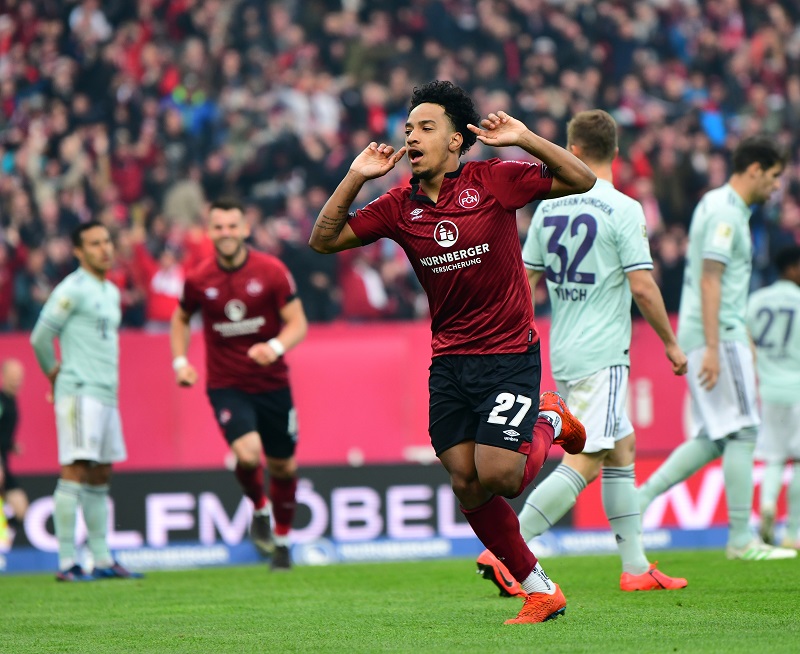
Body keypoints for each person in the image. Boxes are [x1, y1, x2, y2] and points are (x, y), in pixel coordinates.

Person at [308, 80, 596, 624]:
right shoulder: (398, 206)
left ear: (457, 140)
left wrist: (525, 138)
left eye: (426, 127)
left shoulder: (494, 180)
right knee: (465, 479)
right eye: (408, 129)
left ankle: (549, 419)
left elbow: (583, 178)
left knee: (502, 476)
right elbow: (323, 240)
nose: (411, 138)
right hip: (449, 362)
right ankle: (540, 589)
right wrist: (355, 176)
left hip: (508, 354)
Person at [476, 110, 689, 595]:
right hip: (604, 351)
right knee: (588, 459)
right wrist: (671, 344)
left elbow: (525, 281)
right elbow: (642, 286)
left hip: (565, 346)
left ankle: (635, 566)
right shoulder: (623, 207)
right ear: (615, 152)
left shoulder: (548, 210)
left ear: (572, 150)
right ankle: (507, 549)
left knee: (621, 447)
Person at [638, 136, 797, 561]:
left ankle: (638, 501)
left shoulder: (714, 203)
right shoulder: (728, 213)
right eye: (774, 176)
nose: (776, 186)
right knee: (743, 431)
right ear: (755, 170)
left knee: (715, 436)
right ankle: (742, 540)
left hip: (711, 331)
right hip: (717, 334)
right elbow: (711, 278)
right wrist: (714, 345)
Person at [170, 197, 308, 571]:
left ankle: (282, 542)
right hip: (227, 384)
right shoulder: (198, 278)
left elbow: (298, 322)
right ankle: (259, 508)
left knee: (283, 467)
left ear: (245, 229)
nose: (226, 233)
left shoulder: (272, 271)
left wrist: (274, 347)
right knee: (247, 455)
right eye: (219, 227)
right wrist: (180, 362)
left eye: (233, 226)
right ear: (209, 232)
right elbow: (180, 319)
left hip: (273, 383)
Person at [30, 221, 143, 581]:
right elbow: (40, 337)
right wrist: (54, 374)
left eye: (107, 241)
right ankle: (67, 562)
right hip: (79, 390)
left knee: (100, 472)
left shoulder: (110, 290)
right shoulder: (72, 289)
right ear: (79, 252)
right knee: (76, 468)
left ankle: (102, 558)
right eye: (94, 244)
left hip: (106, 392)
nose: (104, 249)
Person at [746, 245, 800, 548]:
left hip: (768, 389)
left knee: (774, 458)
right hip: (797, 388)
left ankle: (767, 504)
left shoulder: (757, 300)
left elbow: (743, 335)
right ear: (791, 268)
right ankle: (793, 532)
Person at [0, 358, 30, 547]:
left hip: (4, 462)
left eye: (19, 376)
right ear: (3, 376)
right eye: (13, 376)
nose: (16, 380)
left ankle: (4, 539)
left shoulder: (11, 400)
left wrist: (11, 445)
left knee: (20, 509)